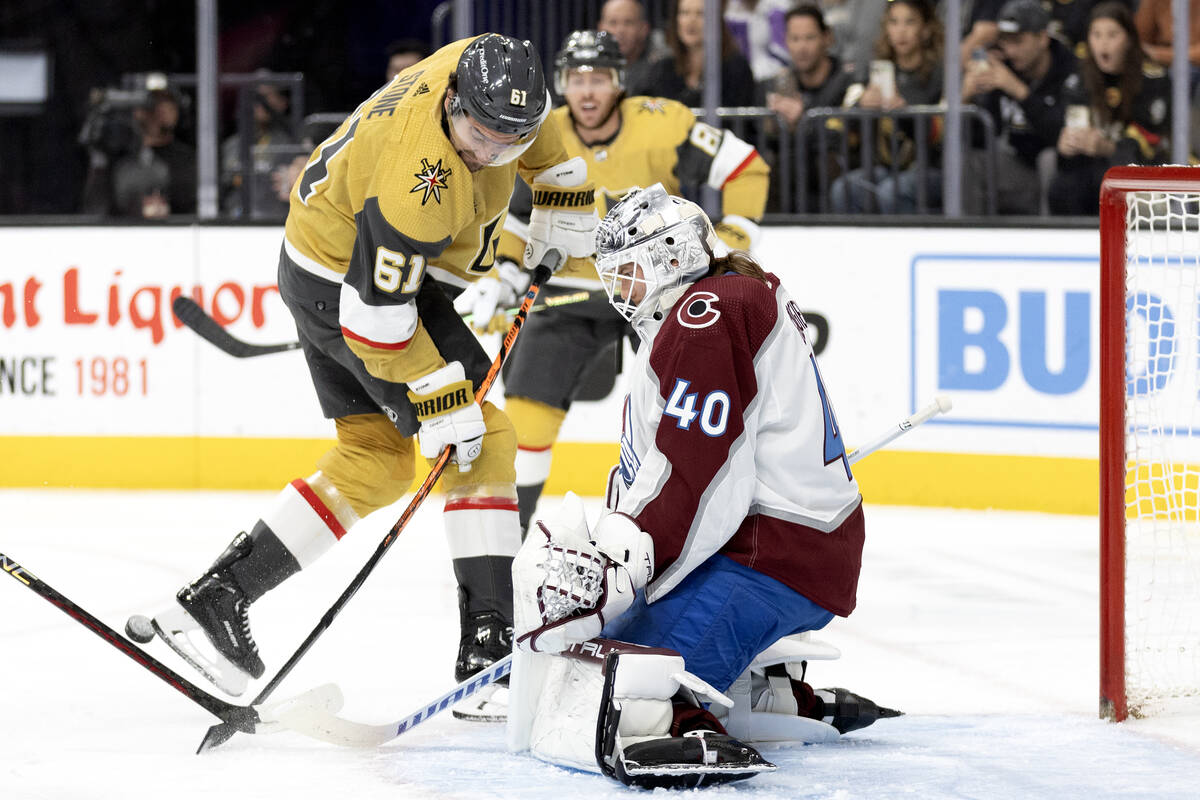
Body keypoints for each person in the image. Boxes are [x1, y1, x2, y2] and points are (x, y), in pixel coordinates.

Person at [129, 35, 598, 721]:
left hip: (320, 258)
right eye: (479, 134)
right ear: (451, 102)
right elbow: (375, 320)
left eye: (509, 142)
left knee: (376, 463)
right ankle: (487, 655)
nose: (489, 153)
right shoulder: (422, 180)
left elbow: (534, 125)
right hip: (348, 288)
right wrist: (438, 395)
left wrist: (556, 180)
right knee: (485, 437)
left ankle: (213, 601)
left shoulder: (486, 68)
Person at [506, 184, 895, 788]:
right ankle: (765, 690)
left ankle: (699, 714)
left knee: (628, 691)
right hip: (776, 544)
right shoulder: (716, 303)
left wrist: (630, 571)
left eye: (630, 273)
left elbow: (703, 478)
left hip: (771, 554)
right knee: (613, 650)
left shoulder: (704, 316)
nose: (621, 292)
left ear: (669, 258)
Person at [458, 30, 768, 536]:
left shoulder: (663, 124)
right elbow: (514, 215)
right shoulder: (537, 132)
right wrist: (508, 272)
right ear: (560, 85)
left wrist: (729, 239)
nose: (586, 91)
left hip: (659, 296)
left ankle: (710, 526)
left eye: (598, 78)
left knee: (687, 417)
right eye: (575, 79)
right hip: (566, 295)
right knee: (525, 424)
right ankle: (504, 543)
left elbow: (747, 169)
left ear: (618, 83)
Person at [1049, 2, 1171, 215]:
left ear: (1129, 39)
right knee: (1064, 184)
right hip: (1089, 169)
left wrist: (1109, 147)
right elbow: (1071, 123)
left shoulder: (1152, 79)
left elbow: (1153, 144)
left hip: (1140, 171)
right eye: (1096, 35)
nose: (1103, 44)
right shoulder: (1079, 79)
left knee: (1106, 181)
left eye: (1112, 35)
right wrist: (1065, 143)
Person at [961, 0, 1075, 215]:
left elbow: (1062, 136)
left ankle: (1051, 241)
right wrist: (966, 98)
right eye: (1005, 42)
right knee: (971, 162)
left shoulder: (1069, 69)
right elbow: (981, 137)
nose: (1010, 51)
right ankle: (970, 240)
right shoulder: (1004, 67)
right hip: (1019, 170)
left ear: (1042, 38)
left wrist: (1019, 91)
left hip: (1062, 175)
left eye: (1018, 41)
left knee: (1048, 159)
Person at [830, 0, 945, 214]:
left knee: (892, 190)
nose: (900, 31)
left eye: (909, 22)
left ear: (926, 29)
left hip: (931, 168)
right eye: (894, 22)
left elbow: (938, 135)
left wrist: (904, 113)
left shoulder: (939, 74)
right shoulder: (876, 70)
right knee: (843, 189)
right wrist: (861, 106)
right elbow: (845, 126)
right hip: (886, 168)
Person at [760, 4, 855, 211]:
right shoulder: (781, 84)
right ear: (786, 41)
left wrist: (803, 122)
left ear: (827, 38)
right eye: (795, 39)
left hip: (838, 174)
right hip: (791, 181)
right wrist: (773, 126)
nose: (802, 47)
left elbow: (841, 137)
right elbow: (765, 140)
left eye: (809, 38)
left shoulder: (847, 80)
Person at [81, 82, 197, 218]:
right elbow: (96, 211)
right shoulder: (120, 160)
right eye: (153, 103)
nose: (162, 109)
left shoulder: (189, 160)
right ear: (138, 111)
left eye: (168, 102)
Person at [641, 0, 757, 108]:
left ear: (716, 20)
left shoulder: (736, 68)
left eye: (701, 14)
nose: (691, 20)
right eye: (684, 13)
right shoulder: (662, 69)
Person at [221, 80, 301, 220]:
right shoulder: (231, 145)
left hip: (275, 219)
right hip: (233, 220)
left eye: (267, 96)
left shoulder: (291, 146)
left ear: (283, 102)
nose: (260, 103)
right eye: (256, 96)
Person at [598, 0, 670, 97]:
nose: (620, 31)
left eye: (628, 23)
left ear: (644, 28)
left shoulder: (662, 65)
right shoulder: (590, 63)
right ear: (600, 28)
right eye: (613, 23)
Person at [724, 0, 793, 83]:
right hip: (740, 75)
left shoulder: (777, 9)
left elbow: (782, 52)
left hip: (770, 75)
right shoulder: (730, 10)